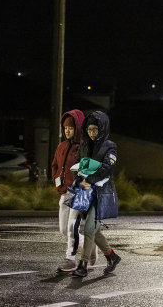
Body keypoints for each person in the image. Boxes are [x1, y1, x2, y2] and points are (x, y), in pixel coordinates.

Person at [71, 111, 120, 277]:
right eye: (89, 129)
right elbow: (77, 167)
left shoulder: (110, 146)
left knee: (89, 229)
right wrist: (79, 181)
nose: (92, 133)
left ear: (102, 128)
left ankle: (83, 265)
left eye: (95, 129)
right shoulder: (84, 146)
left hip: (101, 194)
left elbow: (107, 167)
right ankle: (112, 256)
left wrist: (90, 180)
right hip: (85, 194)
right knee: (94, 230)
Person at [51, 109, 96, 272]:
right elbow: (54, 165)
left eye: (70, 127)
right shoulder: (62, 146)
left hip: (78, 192)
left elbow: (89, 170)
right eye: (65, 128)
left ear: (77, 128)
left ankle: (70, 259)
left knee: (72, 227)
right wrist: (57, 183)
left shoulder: (84, 147)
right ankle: (88, 245)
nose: (67, 131)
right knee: (64, 229)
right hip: (65, 192)